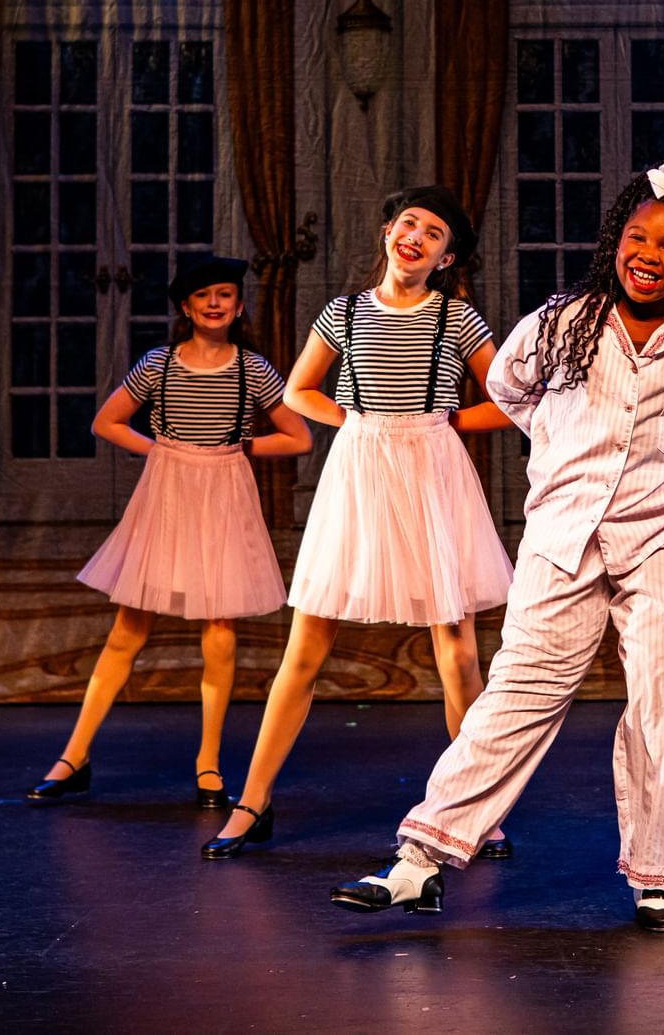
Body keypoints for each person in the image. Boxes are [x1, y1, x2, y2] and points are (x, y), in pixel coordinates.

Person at [330, 157, 664, 934]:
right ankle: (420, 860)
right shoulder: (563, 320)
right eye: (638, 238)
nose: (650, 255)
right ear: (616, 240)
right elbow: (510, 389)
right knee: (518, 690)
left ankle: (656, 875)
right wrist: (563, 450)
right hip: (563, 533)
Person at [203, 187, 513, 856]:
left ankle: (475, 808)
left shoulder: (455, 317)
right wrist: (358, 423)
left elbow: (512, 399)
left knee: (458, 649)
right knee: (305, 645)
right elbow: (298, 390)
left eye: (433, 233)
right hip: (361, 473)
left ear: (445, 257)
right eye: (409, 223)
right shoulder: (343, 312)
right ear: (388, 231)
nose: (416, 236)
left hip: (431, 474)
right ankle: (252, 801)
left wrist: (445, 423)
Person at [27, 256, 311, 806]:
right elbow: (107, 421)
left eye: (224, 294)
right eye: (203, 295)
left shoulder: (252, 369)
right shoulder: (159, 363)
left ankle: (208, 763)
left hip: (224, 495)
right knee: (129, 626)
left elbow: (298, 437)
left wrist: (241, 446)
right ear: (186, 307)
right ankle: (74, 755)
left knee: (219, 629)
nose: (214, 303)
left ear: (239, 306)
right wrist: (162, 452)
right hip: (168, 496)